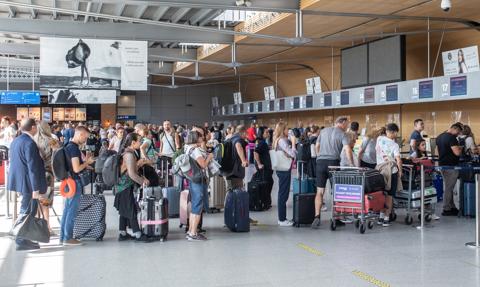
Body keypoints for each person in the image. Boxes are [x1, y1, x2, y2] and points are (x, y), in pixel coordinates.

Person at [8, 119, 47, 251]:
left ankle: (22, 238)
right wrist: (35, 188)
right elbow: (32, 168)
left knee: (26, 208)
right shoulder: (29, 143)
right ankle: (20, 239)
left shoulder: (16, 140)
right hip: (28, 183)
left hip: (20, 180)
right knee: (26, 210)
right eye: (35, 126)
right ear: (33, 127)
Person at [312, 116, 353, 229]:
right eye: (347, 124)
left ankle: (317, 216)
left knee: (319, 191)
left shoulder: (324, 131)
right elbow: (347, 149)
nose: (347, 126)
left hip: (320, 162)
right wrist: (351, 164)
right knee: (336, 192)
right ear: (342, 123)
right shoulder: (342, 134)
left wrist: (318, 157)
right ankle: (336, 218)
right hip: (333, 163)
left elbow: (317, 146)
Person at [61, 125, 95, 246]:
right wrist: (87, 162)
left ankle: (63, 236)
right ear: (80, 134)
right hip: (74, 182)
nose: (85, 140)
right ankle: (68, 238)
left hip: (68, 181)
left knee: (67, 210)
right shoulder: (74, 149)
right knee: (72, 211)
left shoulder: (67, 145)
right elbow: (76, 169)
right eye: (85, 137)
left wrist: (85, 164)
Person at [114, 133, 151, 242]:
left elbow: (130, 169)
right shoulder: (129, 154)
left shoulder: (128, 152)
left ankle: (122, 233)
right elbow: (131, 174)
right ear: (133, 142)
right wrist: (142, 182)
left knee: (124, 208)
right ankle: (138, 234)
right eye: (139, 141)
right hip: (125, 185)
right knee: (130, 209)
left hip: (122, 185)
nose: (141, 143)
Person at [184, 130, 213, 241]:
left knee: (194, 205)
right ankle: (193, 233)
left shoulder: (187, 148)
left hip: (192, 179)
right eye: (200, 136)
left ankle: (191, 230)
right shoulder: (195, 150)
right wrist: (209, 157)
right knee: (197, 206)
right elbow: (203, 165)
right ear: (196, 138)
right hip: (198, 180)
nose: (202, 138)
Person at [33, 121, 60, 235]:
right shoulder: (52, 141)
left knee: (36, 200)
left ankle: (35, 226)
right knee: (46, 202)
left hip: (36, 174)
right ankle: (47, 227)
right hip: (48, 174)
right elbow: (58, 156)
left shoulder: (33, 141)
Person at [375, 123, 403, 227]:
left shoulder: (379, 138)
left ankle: (381, 217)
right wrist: (400, 171)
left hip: (380, 170)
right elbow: (398, 160)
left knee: (382, 194)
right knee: (390, 195)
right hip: (391, 171)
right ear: (394, 132)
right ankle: (386, 218)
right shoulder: (394, 144)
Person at [436, 123, 463, 216]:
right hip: (451, 166)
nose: (458, 134)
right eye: (458, 132)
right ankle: (446, 208)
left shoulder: (439, 137)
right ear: (454, 129)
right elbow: (457, 153)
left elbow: (438, 153)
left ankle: (452, 206)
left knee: (448, 186)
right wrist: (461, 148)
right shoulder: (451, 138)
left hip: (442, 165)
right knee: (449, 187)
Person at [272, 122, 296, 226]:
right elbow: (292, 154)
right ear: (283, 130)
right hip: (284, 170)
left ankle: (283, 218)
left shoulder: (277, 140)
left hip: (281, 169)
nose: (288, 131)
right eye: (287, 129)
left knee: (283, 193)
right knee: (283, 194)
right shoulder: (281, 140)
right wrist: (293, 143)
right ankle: (282, 219)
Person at [253, 126, 273, 209]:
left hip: (266, 167)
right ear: (261, 133)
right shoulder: (261, 142)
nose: (268, 134)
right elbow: (255, 152)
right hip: (263, 167)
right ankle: (265, 202)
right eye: (266, 132)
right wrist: (259, 164)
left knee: (269, 183)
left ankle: (266, 201)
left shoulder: (261, 142)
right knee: (267, 183)